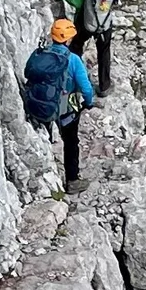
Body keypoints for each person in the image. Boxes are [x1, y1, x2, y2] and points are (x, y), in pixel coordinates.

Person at [22, 15, 98, 191]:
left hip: (40, 103)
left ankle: (46, 157)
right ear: (69, 38)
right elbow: (85, 87)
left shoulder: (42, 53)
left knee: (47, 131)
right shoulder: (73, 60)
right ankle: (72, 180)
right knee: (71, 142)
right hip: (65, 109)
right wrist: (89, 102)